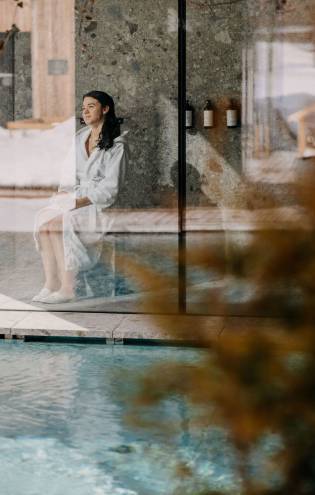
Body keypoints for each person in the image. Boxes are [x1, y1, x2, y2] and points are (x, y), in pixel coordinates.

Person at [32, 90, 129, 304]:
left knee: (58, 224)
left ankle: (68, 288)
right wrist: (64, 194)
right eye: (83, 107)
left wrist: (78, 202)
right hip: (75, 198)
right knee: (43, 222)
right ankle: (51, 284)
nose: (84, 111)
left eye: (91, 106)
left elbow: (110, 189)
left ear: (105, 109)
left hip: (98, 206)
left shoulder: (117, 146)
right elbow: (67, 174)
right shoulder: (79, 138)